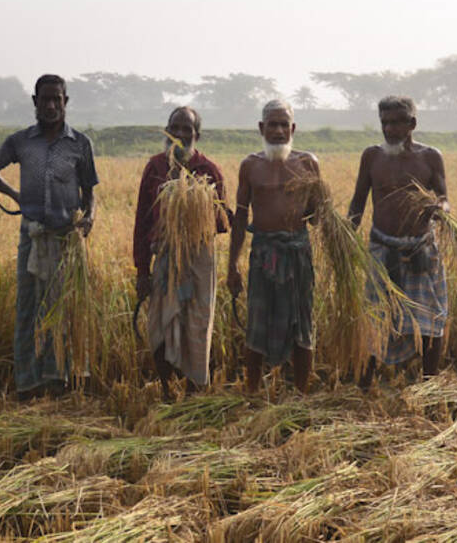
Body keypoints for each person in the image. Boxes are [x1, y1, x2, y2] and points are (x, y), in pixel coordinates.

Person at [0, 74, 99, 400]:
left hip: (66, 240)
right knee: (28, 309)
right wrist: (16, 196)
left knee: (62, 308)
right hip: (32, 237)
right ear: (35, 102)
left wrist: (89, 217)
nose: (50, 105)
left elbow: (89, 191)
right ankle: (28, 383)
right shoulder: (21, 142)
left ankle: (59, 380)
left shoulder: (79, 144)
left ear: (65, 102)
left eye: (56, 99)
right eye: (44, 99)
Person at [347, 95, 451, 385]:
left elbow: (444, 199)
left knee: (430, 320)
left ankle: (430, 384)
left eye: (396, 123)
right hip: (382, 249)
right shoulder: (372, 157)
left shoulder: (430, 157)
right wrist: (344, 233)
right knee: (377, 318)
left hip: (421, 250)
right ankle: (364, 386)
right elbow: (358, 202)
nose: (390, 129)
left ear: (412, 124)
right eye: (385, 123)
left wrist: (440, 210)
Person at [132, 106, 228, 398]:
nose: (181, 134)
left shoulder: (208, 170)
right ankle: (165, 390)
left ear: (197, 134)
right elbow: (142, 221)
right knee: (160, 325)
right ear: (167, 131)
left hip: (198, 260)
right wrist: (142, 269)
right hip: (163, 257)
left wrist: (194, 210)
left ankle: (193, 391)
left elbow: (222, 222)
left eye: (188, 129)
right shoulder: (155, 168)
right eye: (176, 128)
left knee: (197, 326)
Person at [226, 99, 321, 394]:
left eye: (284, 125)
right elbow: (241, 217)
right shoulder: (250, 166)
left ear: (293, 128)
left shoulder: (308, 163)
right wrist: (233, 265)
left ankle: (302, 393)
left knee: (301, 324)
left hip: (297, 253)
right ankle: (253, 392)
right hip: (264, 255)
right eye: (272, 125)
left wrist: (322, 206)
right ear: (261, 128)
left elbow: (318, 217)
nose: (278, 131)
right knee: (257, 324)